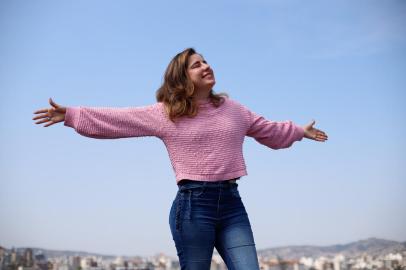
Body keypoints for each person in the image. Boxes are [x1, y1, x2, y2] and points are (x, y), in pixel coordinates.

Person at [33, 48, 328, 270]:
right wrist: (71, 115)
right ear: (182, 76)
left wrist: (300, 131)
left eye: (206, 61)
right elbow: (118, 120)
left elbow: (270, 130)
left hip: (232, 204)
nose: (206, 66)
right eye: (196, 64)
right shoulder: (167, 113)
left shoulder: (234, 109)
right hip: (192, 207)